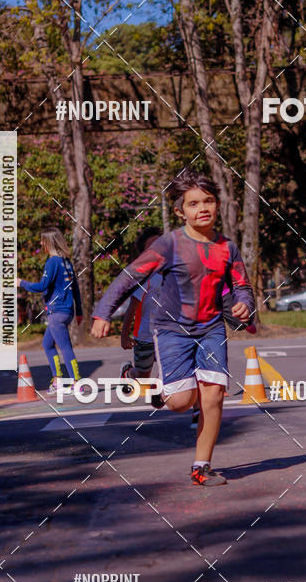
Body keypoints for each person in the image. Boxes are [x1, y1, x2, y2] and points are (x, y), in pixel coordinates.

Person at [91, 168, 254, 486]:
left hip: (211, 328)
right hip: (171, 330)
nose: (202, 208)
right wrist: (102, 313)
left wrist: (244, 303)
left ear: (217, 205)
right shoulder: (169, 245)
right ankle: (166, 385)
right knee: (181, 402)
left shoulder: (227, 248)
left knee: (214, 395)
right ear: (181, 211)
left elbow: (242, 285)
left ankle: (201, 467)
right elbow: (129, 277)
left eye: (208, 201)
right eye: (193, 204)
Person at [17, 227, 83, 394]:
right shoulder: (66, 262)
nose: (40, 243)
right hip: (67, 311)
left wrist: (21, 283)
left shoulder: (52, 262)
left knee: (65, 347)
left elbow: (42, 286)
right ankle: (58, 379)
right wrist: (80, 311)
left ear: (49, 242)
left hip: (57, 312)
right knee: (47, 344)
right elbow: (75, 288)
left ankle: (77, 382)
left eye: (42, 240)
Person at [119, 227, 164, 407]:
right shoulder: (144, 278)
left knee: (168, 367)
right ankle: (128, 373)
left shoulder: (174, 273)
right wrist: (124, 336)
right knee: (142, 376)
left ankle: (158, 389)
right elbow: (132, 308)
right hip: (144, 335)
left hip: (166, 334)